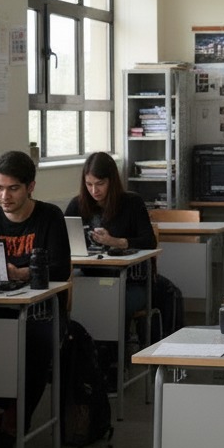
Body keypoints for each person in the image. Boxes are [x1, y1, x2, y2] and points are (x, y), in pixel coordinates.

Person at [0, 150, 70, 448]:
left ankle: (11, 425)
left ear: (30, 187)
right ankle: (10, 405)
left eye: (13, 188)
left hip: (43, 311)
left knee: (35, 343)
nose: (4, 196)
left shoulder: (49, 216)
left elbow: (60, 268)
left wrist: (20, 273)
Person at [65, 151, 159, 358]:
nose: (94, 190)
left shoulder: (132, 203)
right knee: (73, 301)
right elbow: (63, 241)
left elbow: (149, 241)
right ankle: (83, 359)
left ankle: (113, 360)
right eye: (89, 184)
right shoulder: (77, 205)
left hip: (131, 282)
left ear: (112, 181)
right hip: (90, 277)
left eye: (100, 184)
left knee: (113, 303)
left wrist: (115, 242)